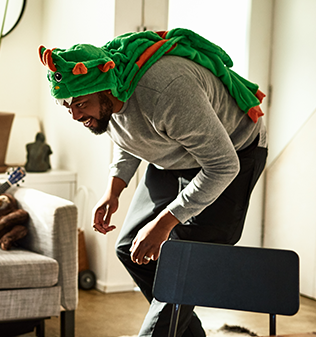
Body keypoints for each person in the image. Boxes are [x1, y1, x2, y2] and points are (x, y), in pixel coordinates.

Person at [38, 28, 268, 337]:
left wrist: (164, 224)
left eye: (81, 105)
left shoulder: (167, 92)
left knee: (183, 261)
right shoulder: (108, 99)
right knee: (130, 247)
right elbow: (128, 132)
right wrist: (113, 190)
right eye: (68, 106)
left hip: (232, 153)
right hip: (175, 154)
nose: (76, 116)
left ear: (108, 91)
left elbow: (223, 165)